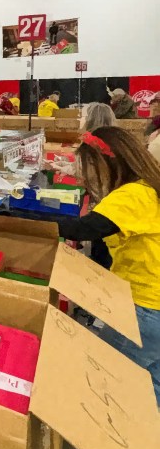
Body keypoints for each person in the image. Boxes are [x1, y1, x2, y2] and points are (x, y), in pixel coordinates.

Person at [56, 128, 160, 403]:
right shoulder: (148, 187)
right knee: (152, 382)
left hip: (146, 308)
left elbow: (86, 228)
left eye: (89, 167)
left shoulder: (132, 195)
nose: (86, 176)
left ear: (106, 164)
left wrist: (25, 226)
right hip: (153, 304)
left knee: (108, 376)